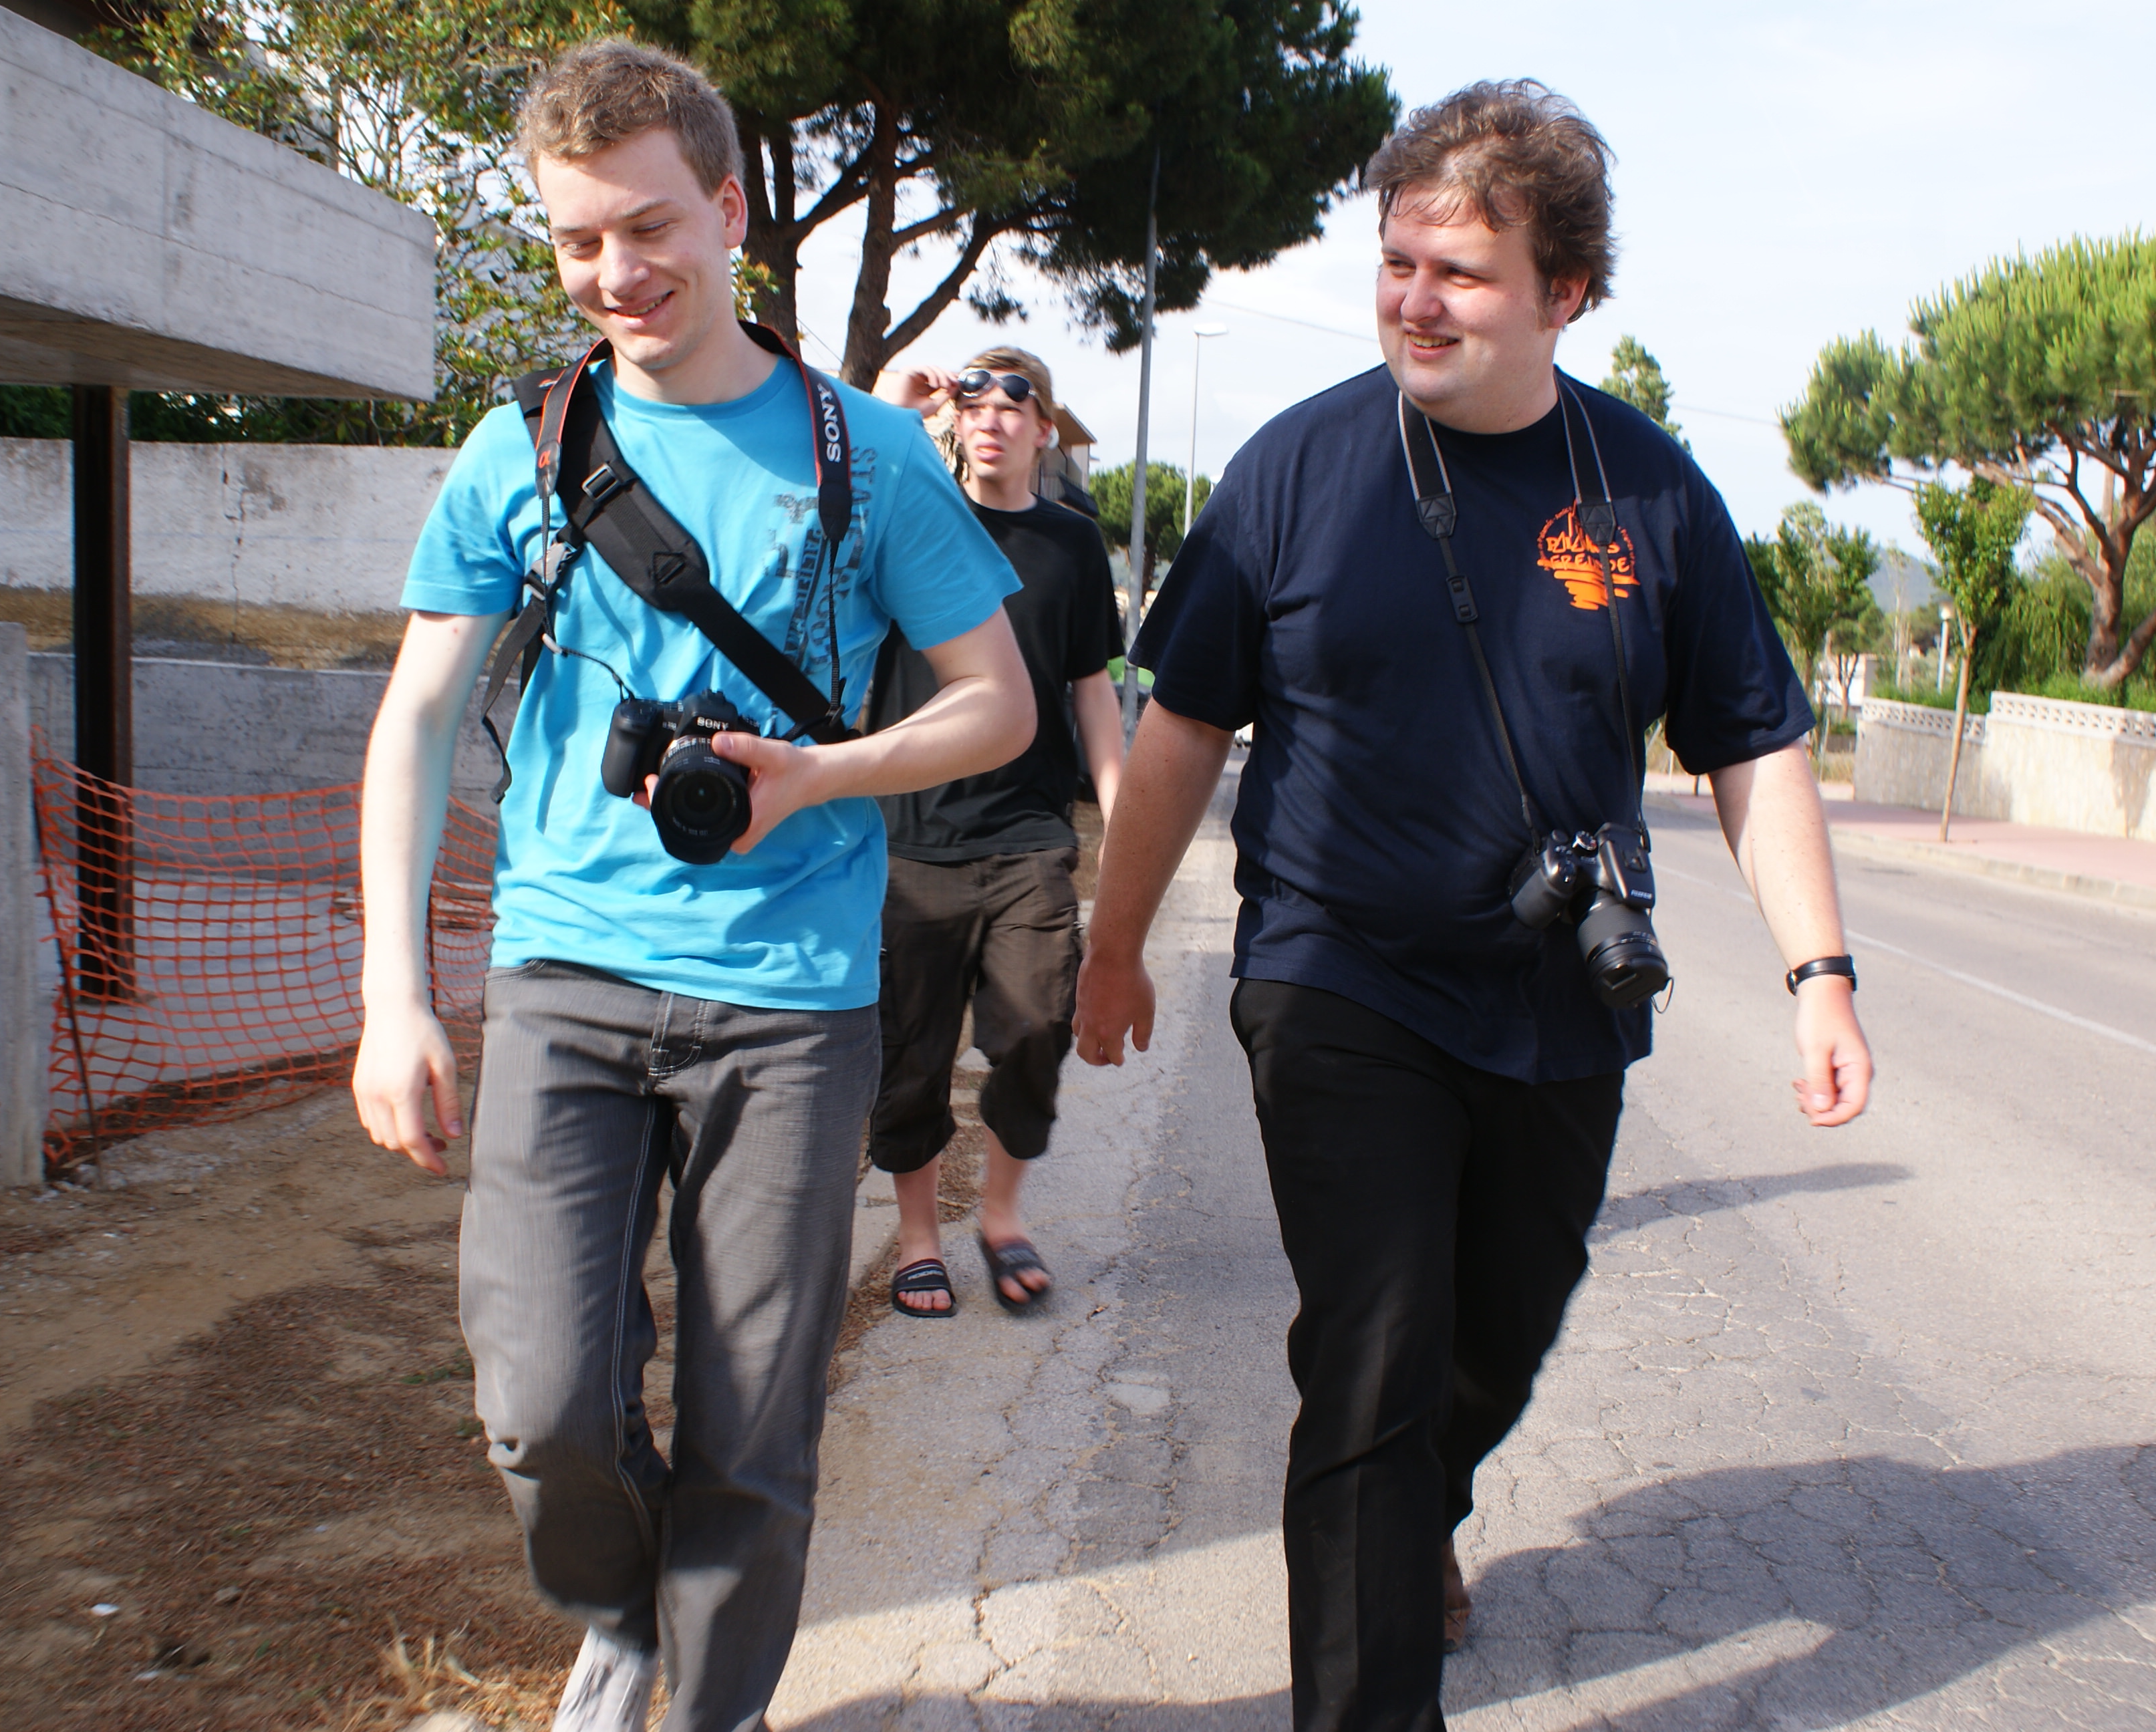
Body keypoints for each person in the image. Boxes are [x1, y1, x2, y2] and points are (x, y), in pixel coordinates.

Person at [1073, 80, 1874, 1732]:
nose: (1414, 301)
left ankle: (1422, 1505)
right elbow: (1180, 733)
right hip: (1337, 973)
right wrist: (1113, 945)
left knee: (1496, 1334)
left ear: (1563, 292)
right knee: (1369, 1357)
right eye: (1396, 263)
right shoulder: (1294, 471)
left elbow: (1752, 742)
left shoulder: (1649, 493)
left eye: (1461, 273)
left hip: (1559, 1000)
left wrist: (1820, 972)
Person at [349, 39, 1033, 1732]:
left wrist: (824, 774)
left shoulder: (869, 454)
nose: (617, 273)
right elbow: (415, 718)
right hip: (565, 975)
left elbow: (998, 703)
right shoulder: (519, 450)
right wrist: (391, 998)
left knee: (755, 1421)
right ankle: (620, 1609)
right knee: (540, 1402)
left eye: (649, 228)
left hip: (792, 1003)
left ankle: (712, 1704)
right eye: (578, 241)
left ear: (729, 212)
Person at [861, 349, 1127, 1316]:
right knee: (911, 1055)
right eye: (973, 401)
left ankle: (1002, 1217)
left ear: (1044, 430)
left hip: (1028, 834)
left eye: (1017, 403)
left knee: (1036, 1033)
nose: (992, 417)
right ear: (953, 423)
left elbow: (1091, 689)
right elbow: (836, 484)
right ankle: (918, 1238)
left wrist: (1122, 812)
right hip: (909, 837)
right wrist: (894, 406)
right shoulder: (908, 513)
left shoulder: (1073, 542)